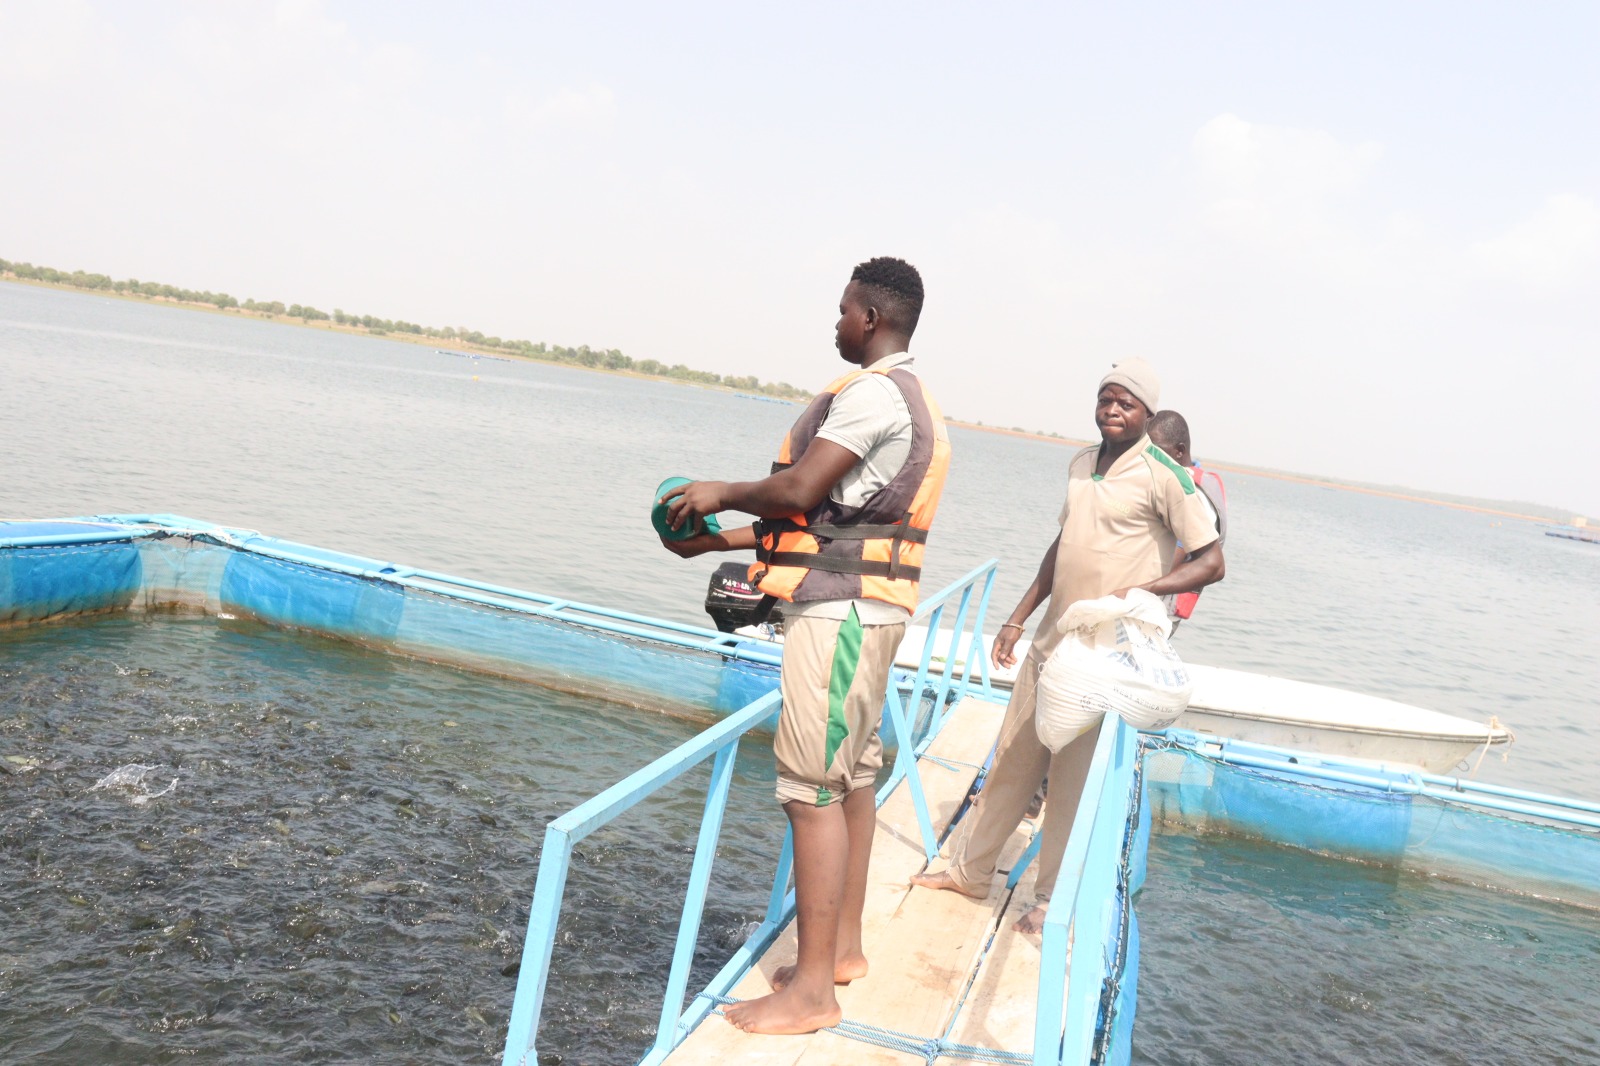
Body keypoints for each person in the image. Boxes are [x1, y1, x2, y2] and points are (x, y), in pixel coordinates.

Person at [657, 257, 950, 1035]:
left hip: (840, 616)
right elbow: (826, 525)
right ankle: (841, 951)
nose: (837, 322)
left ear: (872, 318)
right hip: (868, 609)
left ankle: (813, 993)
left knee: (809, 787)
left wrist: (718, 491)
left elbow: (797, 491)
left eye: (845, 309)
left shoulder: (873, 395)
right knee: (852, 777)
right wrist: (713, 540)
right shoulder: (911, 396)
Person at [910, 358, 1222, 934]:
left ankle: (1051, 899)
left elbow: (1212, 560)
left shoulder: (1164, 475)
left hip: (1101, 657)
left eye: (1126, 402)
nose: (1113, 409)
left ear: (1146, 412)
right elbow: (1063, 545)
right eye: (1106, 399)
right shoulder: (1081, 464)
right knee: (1011, 759)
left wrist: (1147, 590)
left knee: (1071, 783)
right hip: (1051, 640)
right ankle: (969, 873)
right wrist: (1017, 617)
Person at [1147, 410, 1228, 626]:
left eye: (1156, 451)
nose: (1150, 458)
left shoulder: (1193, 492)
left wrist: (1132, 589)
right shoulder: (1181, 480)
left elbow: (1174, 557)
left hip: (1158, 608)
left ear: (1179, 451)